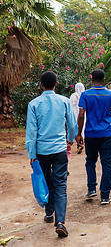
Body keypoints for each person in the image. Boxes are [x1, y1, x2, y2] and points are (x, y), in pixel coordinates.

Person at [25, 71, 78, 237]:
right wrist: (70, 139)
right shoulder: (64, 101)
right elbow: (72, 124)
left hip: (42, 151)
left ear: (41, 85)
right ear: (56, 84)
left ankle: (49, 213)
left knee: (46, 180)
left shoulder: (34, 104)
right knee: (61, 184)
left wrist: (32, 154)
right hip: (60, 149)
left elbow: (31, 132)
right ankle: (60, 221)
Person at [75, 69, 111, 205]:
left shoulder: (85, 94)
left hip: (90, 134)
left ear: (92, 79)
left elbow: (81, 115)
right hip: (106, 134)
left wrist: (79, 134)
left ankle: (91, 188)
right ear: (103, 80)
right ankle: (105, 196)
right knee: (106, 164)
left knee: (90, 161)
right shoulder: (110, 94)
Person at [70, 83, 85, 154]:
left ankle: (79, 144)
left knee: (76, 128)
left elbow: (71, 105)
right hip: (83, 114)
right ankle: (83, 142)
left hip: (75, 114)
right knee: (83, 128)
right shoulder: (84, 95)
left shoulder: (73, 96)